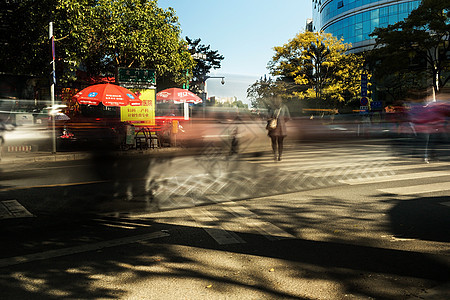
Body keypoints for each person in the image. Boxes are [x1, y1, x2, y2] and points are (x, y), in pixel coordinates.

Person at [267, 96, 290, 161]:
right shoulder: (284, 107)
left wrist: (271, 120)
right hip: (281, 126)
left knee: (274, 141)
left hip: (273, 125)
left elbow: (268, 116)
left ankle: (275, 155)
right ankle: (279, 156)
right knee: (280, 142)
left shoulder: (271, 107)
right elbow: (288, 117)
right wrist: (282, 121)